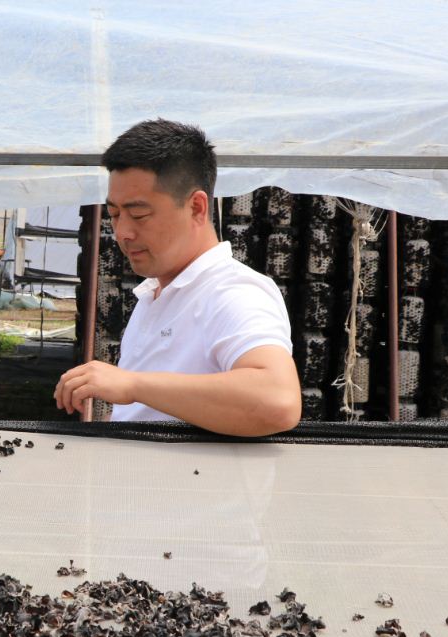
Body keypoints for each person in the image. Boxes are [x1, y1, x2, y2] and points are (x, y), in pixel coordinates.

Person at [54, 119, 301, 437]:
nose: (123, 232)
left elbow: (277, 400)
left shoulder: (233, 292)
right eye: (115, 214)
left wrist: (132, 385)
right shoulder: (156, 293)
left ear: (196, 207)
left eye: (139, 214)